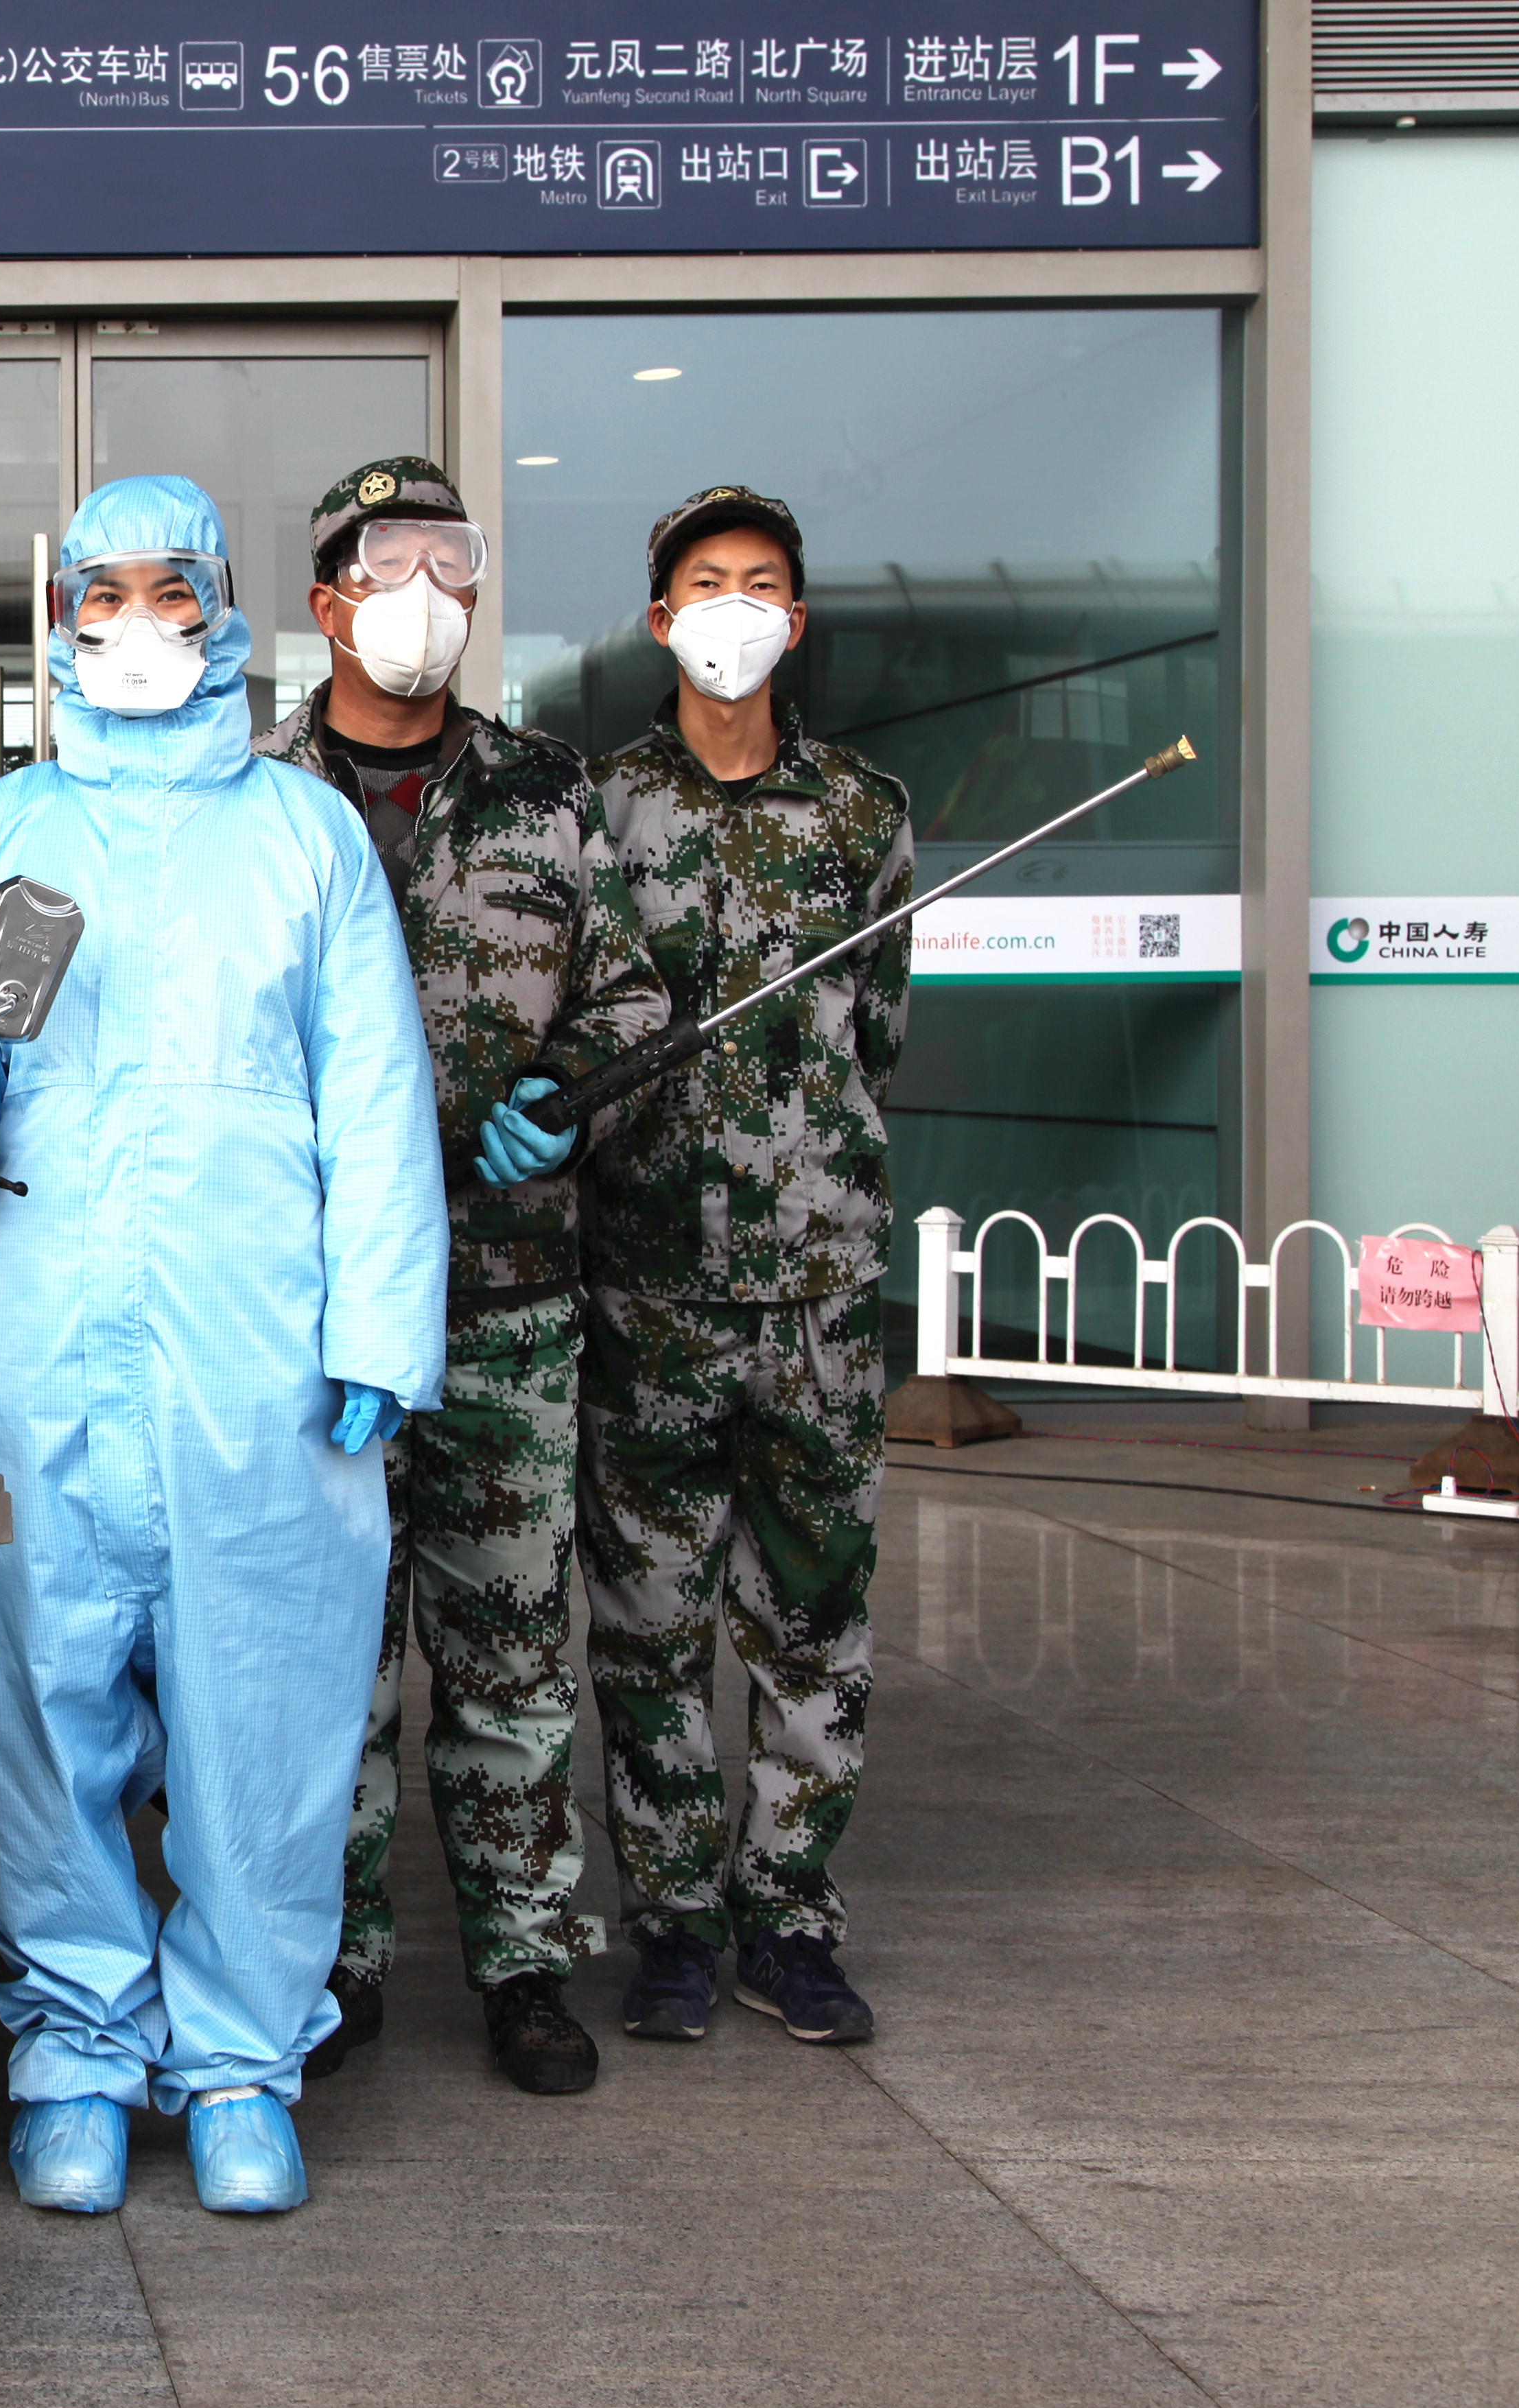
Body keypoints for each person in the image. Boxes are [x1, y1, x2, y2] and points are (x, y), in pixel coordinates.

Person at [0, 475, 446, 2217]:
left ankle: (244, 2063)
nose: (135, 623)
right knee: (35, 1707)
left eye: (169, 590)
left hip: (256, 1356)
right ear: (61, 627)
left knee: (265, 1715)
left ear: (223, 609)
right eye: (101, 594)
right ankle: (76, 2054)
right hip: (44, 1346)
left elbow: (376, 1094)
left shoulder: (306, 839)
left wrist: (379, 1324)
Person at [250, 455, 667, 2099]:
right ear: (327, 601)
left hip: (504, 1295)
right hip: (314, 1309)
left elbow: (631, 1001)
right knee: (329, 1660)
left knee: (508, 1647)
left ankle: (524, 1963)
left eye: (450, 557)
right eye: (387, 562)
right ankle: (335, 1961)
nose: (423, 591)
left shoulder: (547, 793)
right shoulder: (256, 795)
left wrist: (565, 1095)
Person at [580, 484, 910, 2048]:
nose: (733, 607)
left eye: (760, 582)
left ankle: (790, 1917)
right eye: (705, 582)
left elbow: (880, 1027)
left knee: (814, 1616)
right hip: (647, 1282)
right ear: (663, 619)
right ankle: (671, 1926)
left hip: (821, 1287)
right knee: (648, 1624)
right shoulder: (597, 812)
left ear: (795, 616)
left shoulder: (862, 811)